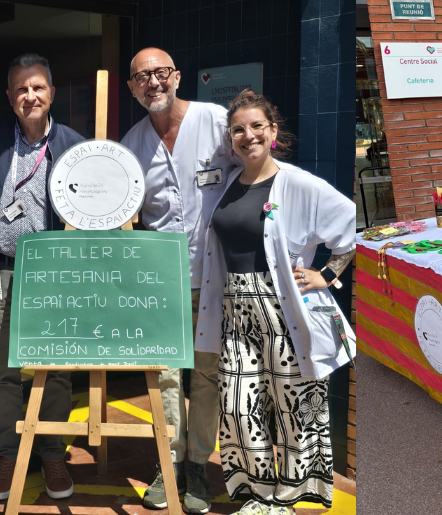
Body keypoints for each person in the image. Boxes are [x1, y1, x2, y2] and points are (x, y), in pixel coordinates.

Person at [198, 90, 356, 515]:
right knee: (239, 405)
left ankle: (285, 498)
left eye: (256, 127)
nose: (247, 135)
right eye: (238, 130)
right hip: (236, 310)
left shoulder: (296, 182)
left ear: (273, 132)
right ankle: (256, 491)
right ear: (230, 138)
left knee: (290, 403)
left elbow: (350, 225)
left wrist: (326, 274)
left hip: (281, 309)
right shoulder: (230, 181)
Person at [120, 47, 236, 513]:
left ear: (177, 76)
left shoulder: (215, 121)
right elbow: (126, 215)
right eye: (142, 77)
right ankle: (167, 464)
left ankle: (195, 466)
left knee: (207, 375)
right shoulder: (130, 145)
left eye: (160, 73)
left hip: (215, 278)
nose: (153, 82)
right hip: (161, 284)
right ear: (131, 88)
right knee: (165, 378)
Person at [0, 53, 85, 501]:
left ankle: (53, 452)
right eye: (20, 89)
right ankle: (8, 452)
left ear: (51, 93)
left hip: (55, 273)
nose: (29, 96)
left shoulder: (76, 145)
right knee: (4, 369)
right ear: (8, 97)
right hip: (2, 268)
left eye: (37, 87)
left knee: (56, 369)